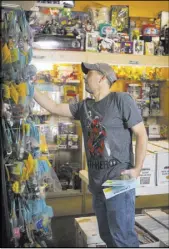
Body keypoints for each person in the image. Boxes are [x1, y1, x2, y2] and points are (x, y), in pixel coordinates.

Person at [34, 62, 148, 247]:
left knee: (122, 238)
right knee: (107, 235)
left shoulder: (121, 100)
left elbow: (142, 133)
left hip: (118, 180)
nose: (85, 77)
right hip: (97, 183)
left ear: (102, 78)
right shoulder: (84, 106)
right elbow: (54, 106)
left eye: (89, 74)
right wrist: (30, 89)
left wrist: (137, 169)